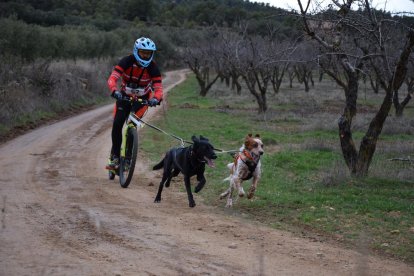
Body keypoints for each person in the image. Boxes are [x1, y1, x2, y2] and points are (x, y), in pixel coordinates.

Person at [106, 37, 163, 170]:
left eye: (148, 53)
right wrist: (114, 90)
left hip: (142, 100)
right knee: (117, 123)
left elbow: (159, 88)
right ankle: (115, 156)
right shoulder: (126, 61)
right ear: (136, 51)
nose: (146, 55)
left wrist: (156, 98)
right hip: (124, 96)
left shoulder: (153, 67)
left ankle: (128, 160)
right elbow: (112, 78)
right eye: (143, 52)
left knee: (132, 126)